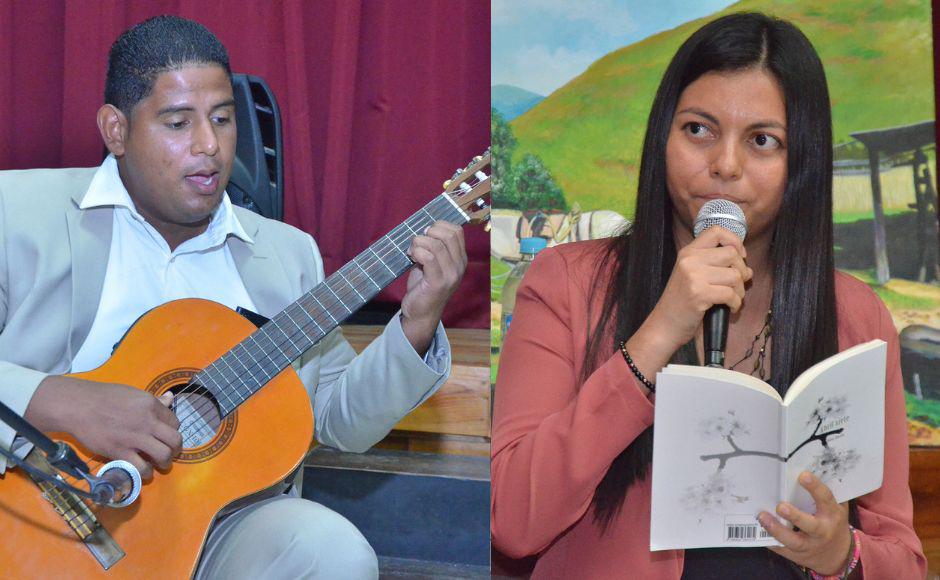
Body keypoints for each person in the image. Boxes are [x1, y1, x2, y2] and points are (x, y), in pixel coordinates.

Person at [0, 15, 468, 579]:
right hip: (32, 510)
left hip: (216, 528)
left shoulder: (286, 255)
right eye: (178, 122)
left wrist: (415, 325)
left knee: (332, 550)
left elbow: (337, 422)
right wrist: (62, 402)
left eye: (223, 119)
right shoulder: (18, 216)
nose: (209, 145)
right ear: (116, 129)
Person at [491, 12, 926, 579]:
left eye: (763, 141)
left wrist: (841, 556)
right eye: (698, 129)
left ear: (803, 162)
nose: (725, 165)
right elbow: (512, 520)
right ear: (662, 136)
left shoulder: (855, 316)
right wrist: (655, 337)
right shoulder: (565, 285)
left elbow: (905, 561)